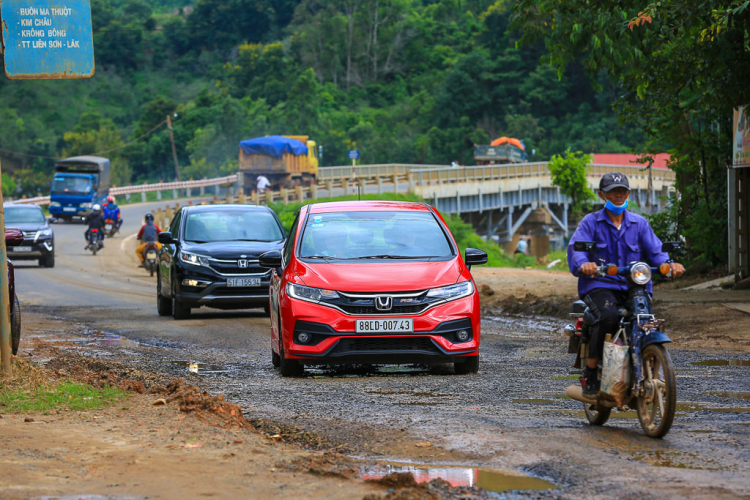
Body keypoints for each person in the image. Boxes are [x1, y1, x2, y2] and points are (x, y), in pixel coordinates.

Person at [567, 172, 685, 396]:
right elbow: (576, 250)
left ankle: (647, 364)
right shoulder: (590, 222)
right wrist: (584, 265)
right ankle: (590, 372)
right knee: (609, 316)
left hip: (635, 285)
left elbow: (657, 252)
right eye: (613, 191)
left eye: (622, 190)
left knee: (645, 321)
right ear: (603, 195)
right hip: (600, 285)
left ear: (628, 194)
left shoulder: (639, 224)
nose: (618, 194)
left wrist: (670, 265)